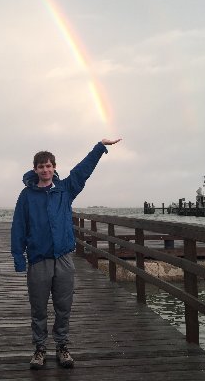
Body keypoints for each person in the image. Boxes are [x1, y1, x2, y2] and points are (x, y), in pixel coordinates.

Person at [11, 138, 122, 370]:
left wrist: (100, 147)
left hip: (63, 258)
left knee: (64, 306)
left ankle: (62, 346)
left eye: (49, 165)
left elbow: (82, 171)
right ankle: (39, 349)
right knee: (38, 308)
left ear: (54, 168)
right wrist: (19, 259)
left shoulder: (65, 190)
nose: (45, 169)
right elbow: (18, 227)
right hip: (39, 259)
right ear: (35, 169)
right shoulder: (26, 196)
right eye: (41, 166)